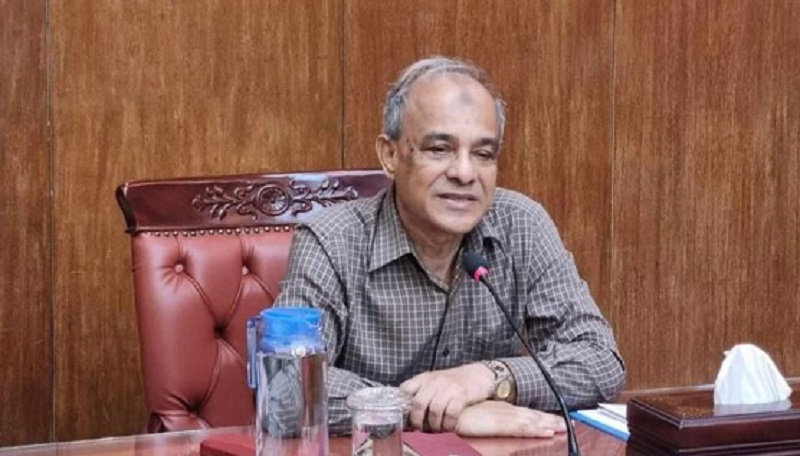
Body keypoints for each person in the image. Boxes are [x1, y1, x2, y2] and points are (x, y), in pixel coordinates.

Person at [272, 56, 626, 437]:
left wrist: (488, 378)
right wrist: (432, 412)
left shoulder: (522, 225)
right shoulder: (331, 241)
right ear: (390, 155)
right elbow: (287, 389)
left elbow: (600, 360)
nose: (464, 173)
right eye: (439, 149)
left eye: (483, 154)